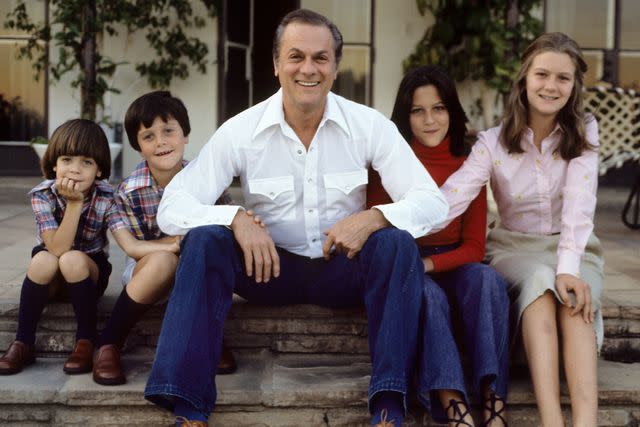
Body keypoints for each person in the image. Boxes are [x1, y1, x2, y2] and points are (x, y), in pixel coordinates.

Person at [143, 8, 448, 427]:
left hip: (343, 268)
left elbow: (433, 203)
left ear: (336, 66)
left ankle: (388, 406)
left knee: (395, 241)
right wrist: (235, 218)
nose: (309, 68)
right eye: (296, 56)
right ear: (276, 64)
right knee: (204, 239)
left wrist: (374, 217)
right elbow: (172, 208)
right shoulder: (241, 130)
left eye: (321, 58)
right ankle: (189, 408)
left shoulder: (368, 125)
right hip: (268, 269)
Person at [436, 33, 603, 426]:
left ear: (575, 85)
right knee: (540, 280)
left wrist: (569, 267)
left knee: (575, 293)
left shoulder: (586, 130)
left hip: (573, 246)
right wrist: (386, 221)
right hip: (513, 247)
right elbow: (451, 199)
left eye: (563, 78)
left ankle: (586, 422)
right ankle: (550, 420)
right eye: (542, 74)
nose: (551, 86)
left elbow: (579, 205)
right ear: (524, 78)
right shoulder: (492, 142)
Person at [368, 65, 510, 427]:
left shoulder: (470, 161)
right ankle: (453, 406)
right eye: (418, 111)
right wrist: (420, 268)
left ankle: (494, 401)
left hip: (452, 262)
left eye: (439, 108)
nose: (430, 120)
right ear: (405, 116)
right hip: (407, 264)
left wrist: (432, 265)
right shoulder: (389, 161)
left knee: (488, 281)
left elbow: (475, 247)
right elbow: (382, 232)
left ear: (452, 111)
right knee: (428, 296)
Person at [0, 119, 178, 376]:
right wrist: (74, 204)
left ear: (99, 170)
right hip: (50, 274)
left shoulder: (108, 196)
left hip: (87, 271)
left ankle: (86, 339)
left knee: (72, 259)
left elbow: (124, 242)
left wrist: (172, 244)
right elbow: (57, 248)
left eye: (87, 162)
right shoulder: (42, 195)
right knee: (44, 260)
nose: (75, 169)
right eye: (67, 160)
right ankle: (23, 342)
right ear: (54, 164)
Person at [92, 91, 237, 386]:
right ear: (139, 147)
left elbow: (223, 234)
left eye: (169, 131)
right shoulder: (129, 191)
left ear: (185, 135)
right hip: (148, 273)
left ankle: (207, 336)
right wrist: (175, 245)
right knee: (162, 261)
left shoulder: (209, 181)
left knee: (208, 256)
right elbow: (135, 250)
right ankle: (108, 342)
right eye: (149, 136)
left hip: (197, 270)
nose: (161, 142)